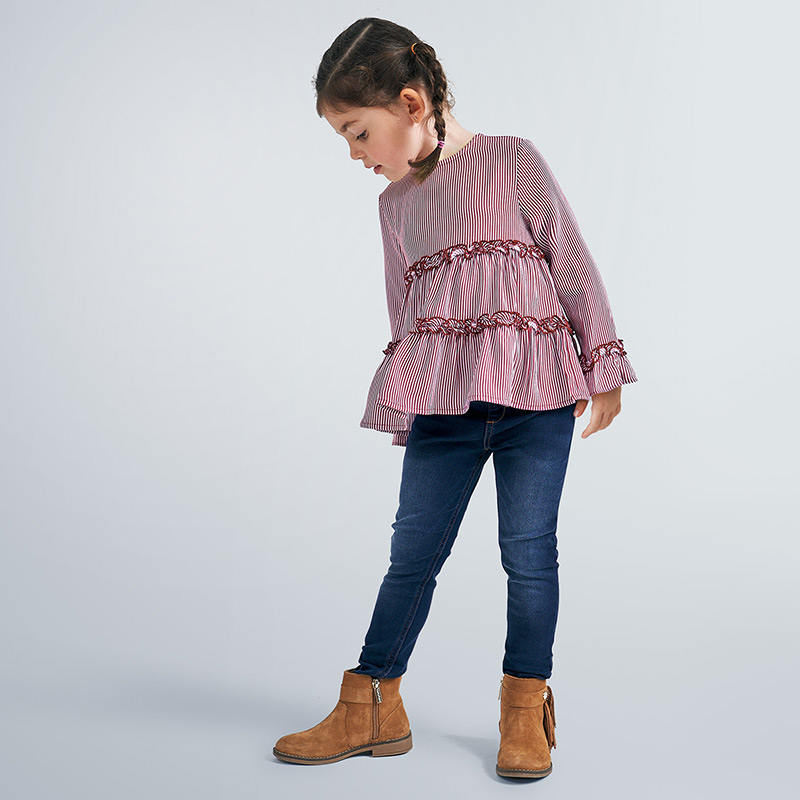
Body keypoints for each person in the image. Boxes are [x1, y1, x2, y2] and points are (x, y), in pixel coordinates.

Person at [273, 17, 638, 779]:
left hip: (536, 398)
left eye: (357, 132)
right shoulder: (395, 205)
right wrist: (407, 402)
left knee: (528, 555)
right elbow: (404, 314)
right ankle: (371, 703)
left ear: (411, 104)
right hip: (444, 408)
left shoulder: (513, 160)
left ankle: (523, 709)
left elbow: (569, 261)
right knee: (411, 555)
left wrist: (602, 363)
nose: (355, 154)